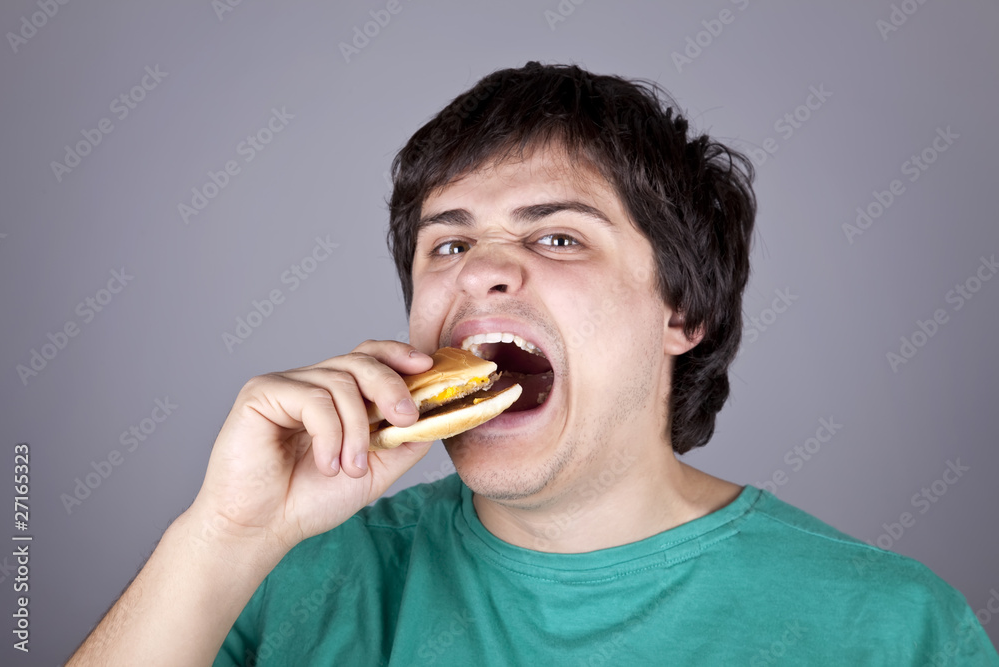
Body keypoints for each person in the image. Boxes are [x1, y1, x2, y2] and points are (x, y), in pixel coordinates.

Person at [67, 62, 998, 666]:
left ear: (687, 311)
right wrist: (224, 533)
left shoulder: (890, 627)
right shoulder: (290, 579)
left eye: (557, 237)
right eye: (447, 245)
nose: (482, 271)